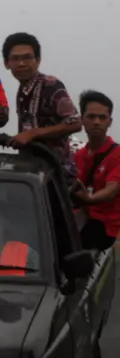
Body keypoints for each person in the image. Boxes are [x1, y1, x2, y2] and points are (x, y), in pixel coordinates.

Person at [2, 32, 82, 183]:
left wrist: (33, 133)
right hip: (34, 172)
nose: (21, 64)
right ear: (6, 63)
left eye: (27, 58)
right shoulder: (23, 91)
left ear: (38, 60)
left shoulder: (51, 85)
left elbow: (76, 123)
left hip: (56, 174)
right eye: (15, 59)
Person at [72, 90, 120, 250]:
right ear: (82, 120)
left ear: (110, 121)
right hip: (79, 219)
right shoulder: (78, 155)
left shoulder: (117, 154)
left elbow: (112, 189)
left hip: (103, 226)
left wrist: (90, 199)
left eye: (102, 117)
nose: (97, 122)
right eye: (91, 117)